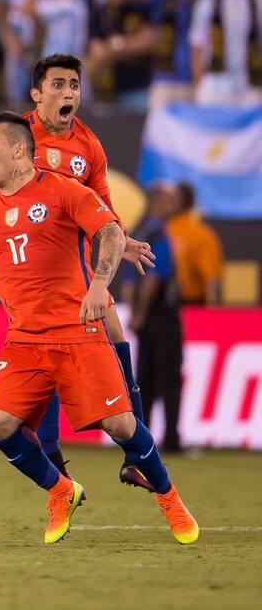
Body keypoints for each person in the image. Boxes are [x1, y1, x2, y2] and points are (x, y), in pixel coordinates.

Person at [0, 112, 198, 546]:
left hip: (77, 332)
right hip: (24, 341)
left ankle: (170, 498)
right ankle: (60, 490)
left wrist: (100, 286)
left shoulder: (63, 190)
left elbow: (110, 233)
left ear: (18, 149)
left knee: (121, 425)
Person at [0, 53, 157, 493]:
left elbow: (102, 205)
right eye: (58, 84)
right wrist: (7, 220)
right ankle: (53, 457)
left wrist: (121, 239)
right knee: (42, 353)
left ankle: (134, 456)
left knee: (115, 333)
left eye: (74, 85)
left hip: (74, 265)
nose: (68, 93)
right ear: (37, 94)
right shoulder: (12, 138)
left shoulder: (89, 146)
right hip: (29, 268)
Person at [125, 183, 184, 454]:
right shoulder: (159, 233)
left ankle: (142, 437)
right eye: (172, 200)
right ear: (159, 202)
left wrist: (134, 312)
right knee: (169, 376)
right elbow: (154, 279)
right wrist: (141, 313)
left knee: (145, 377)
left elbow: (129, 280)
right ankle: (171, 439)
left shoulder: (141, 232)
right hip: (160, 314)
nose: (176, 205)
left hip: (145, 318)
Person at [167, 182, 225, 305]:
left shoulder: (200, 235)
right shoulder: (159, 231)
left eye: (170, 199)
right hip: (162, 305)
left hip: (189, 305)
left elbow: (213, 281)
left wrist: (211, 313)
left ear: (178, 201)